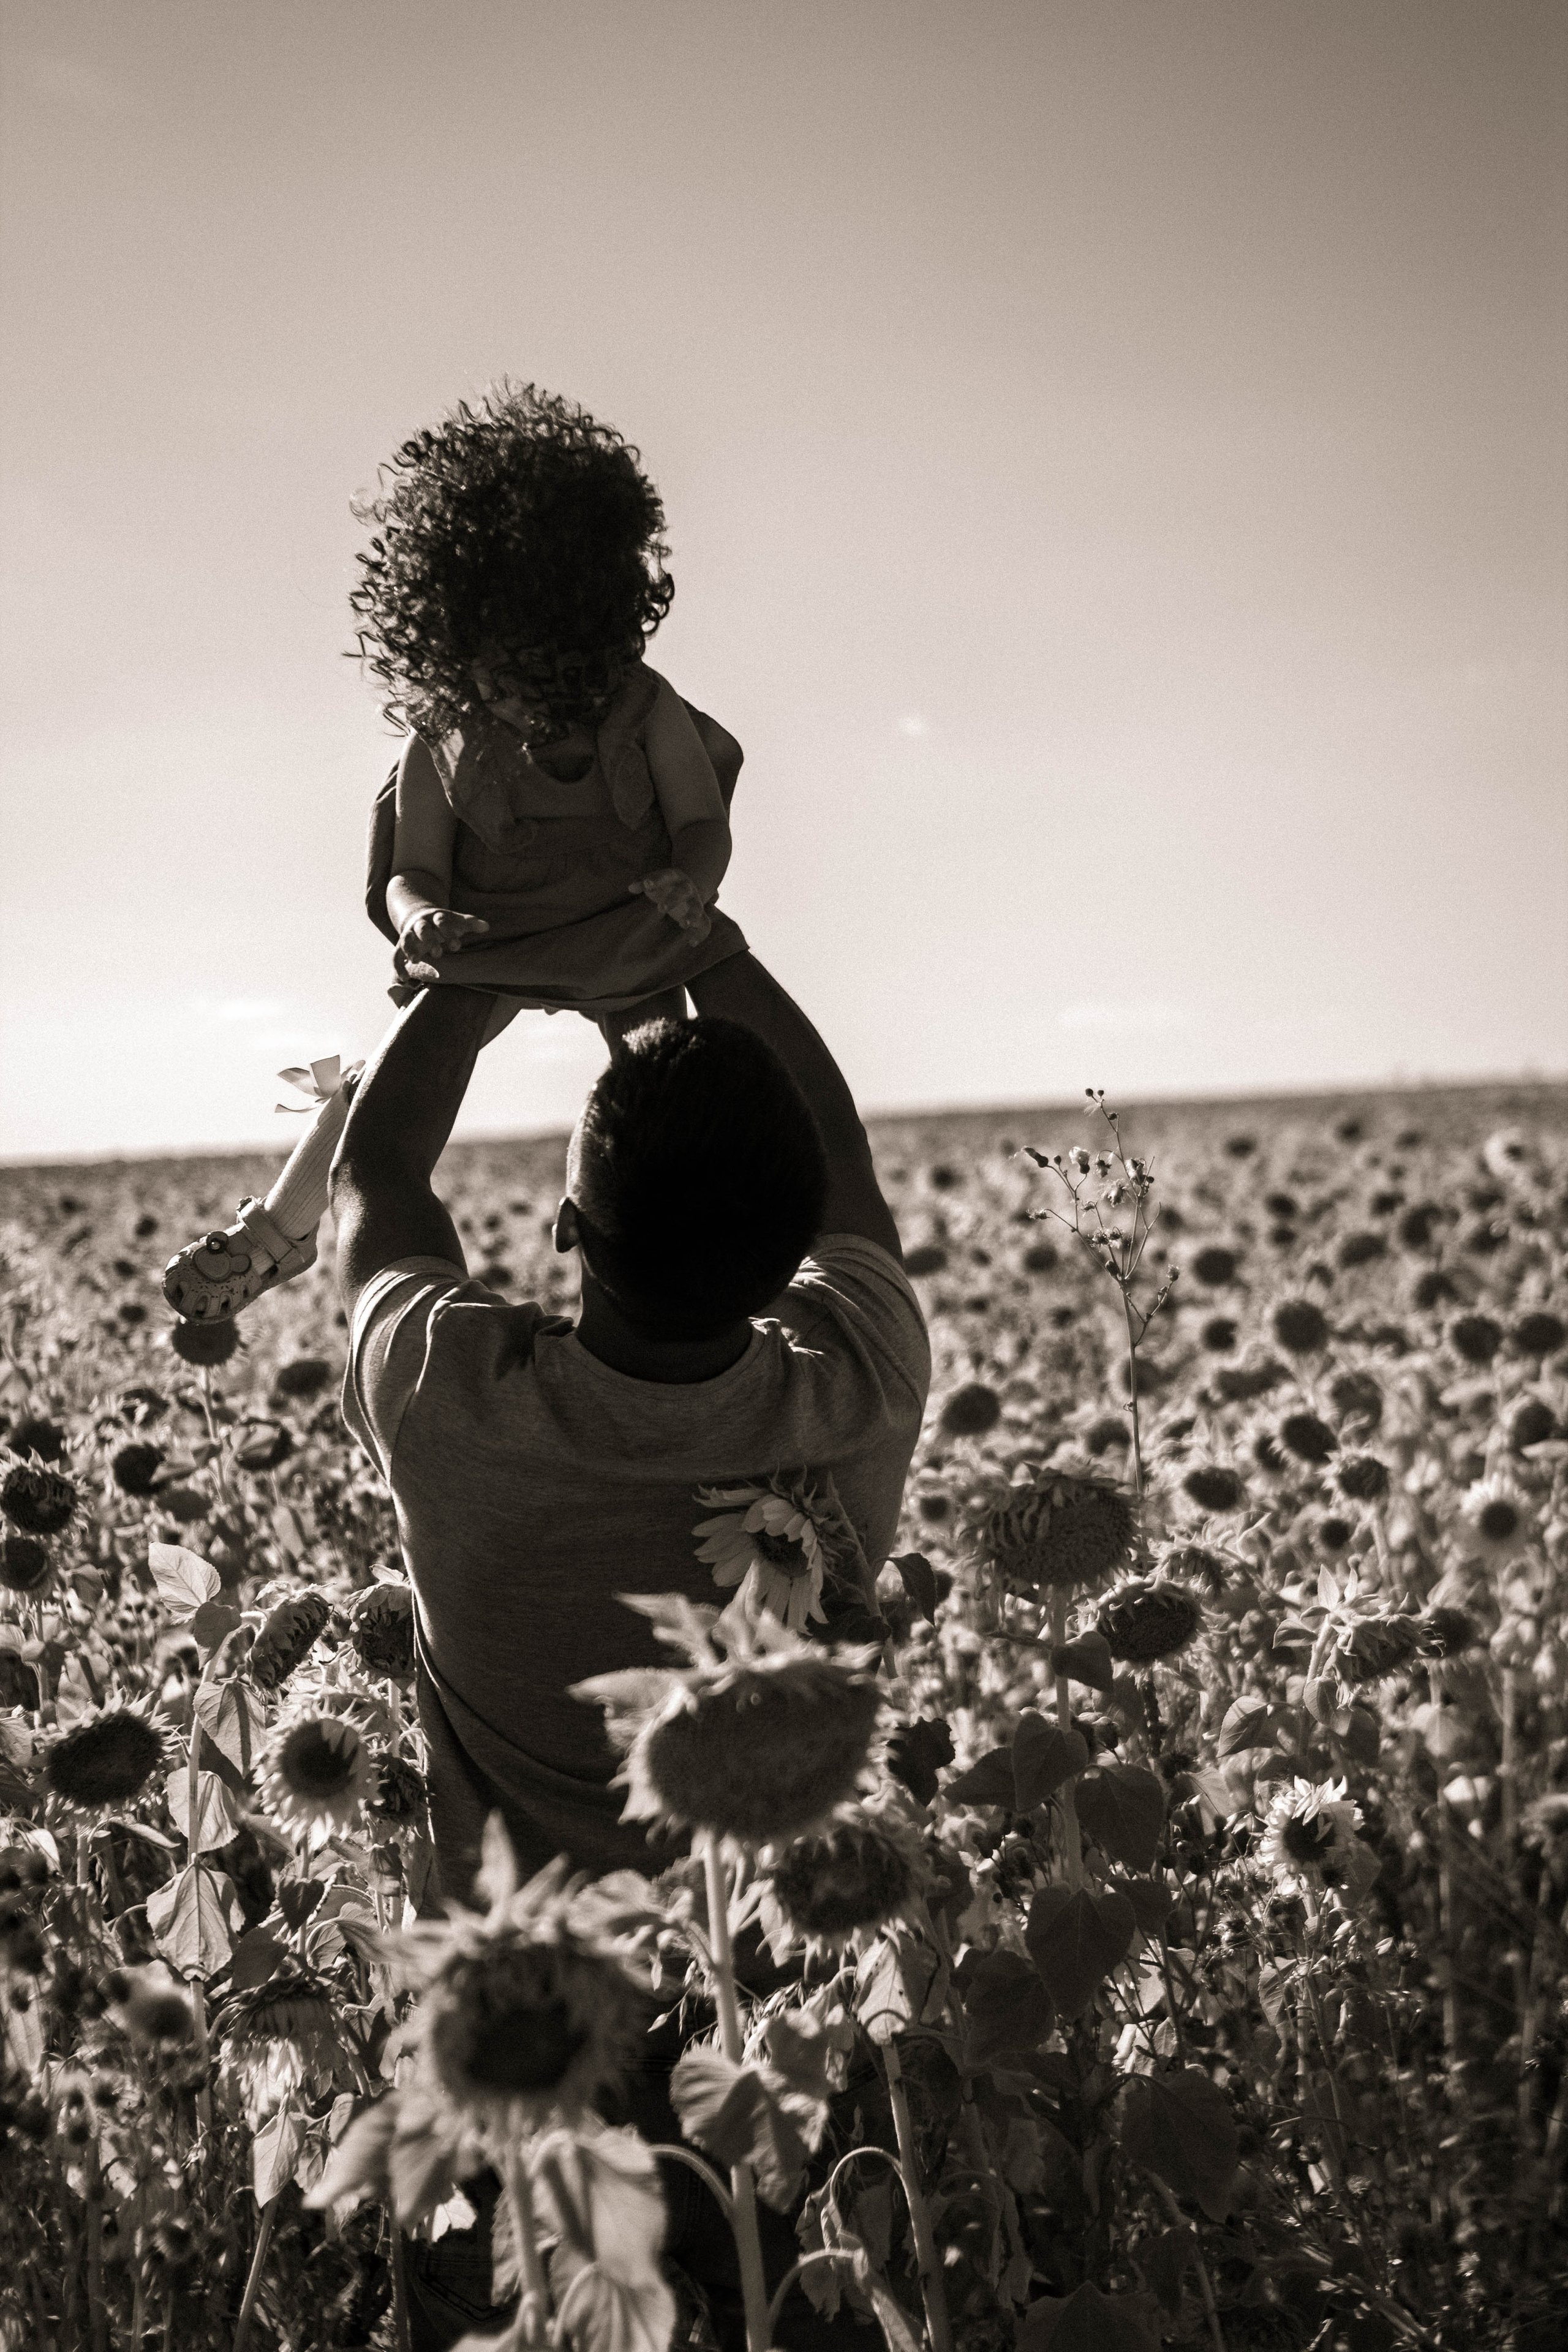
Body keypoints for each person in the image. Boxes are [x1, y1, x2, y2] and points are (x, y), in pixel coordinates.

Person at [326, 956, 930, 2352]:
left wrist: (472, 965)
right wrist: (691, 952)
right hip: (772, 2015)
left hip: (514, 2045)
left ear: (562, 1231)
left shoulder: (449, 1395)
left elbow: (376, 1178)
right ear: (792, 1250)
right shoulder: (857, 1387)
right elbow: (841, 1162)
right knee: (793, 2307)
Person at [160, 381, 747, 1324]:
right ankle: (280, 1231)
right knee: (384, 1089)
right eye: (504, 678)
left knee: (670, 1094)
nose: (530, 706)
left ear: (597, 625)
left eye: (557, 677)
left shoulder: (646, 704)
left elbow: (701, 822)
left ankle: (686, 1274)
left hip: (630, 924)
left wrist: (694, 881)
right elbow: (414, 869)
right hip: (490, 934)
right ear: (452, 639)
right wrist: (420, 918)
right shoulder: (441, 734)